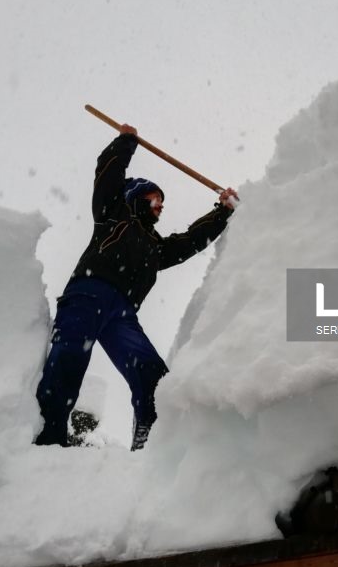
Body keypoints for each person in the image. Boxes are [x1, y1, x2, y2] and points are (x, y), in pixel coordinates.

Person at [35, 124, 237, 450]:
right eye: (156, 198)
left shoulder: (154, 246)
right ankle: (48, 438)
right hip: (88, 294)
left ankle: (152, 439)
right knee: (68, 359)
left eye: (162, 201)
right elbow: (107, 172)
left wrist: (221, 212)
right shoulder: (112, 213)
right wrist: (125, 143)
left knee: (153, 374)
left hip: (123, 314)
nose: (161, 206)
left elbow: (188, 242)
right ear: (136, 197)